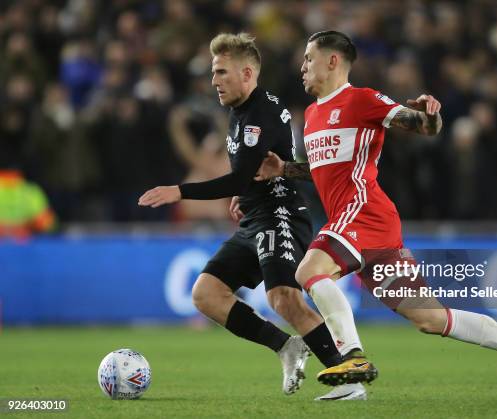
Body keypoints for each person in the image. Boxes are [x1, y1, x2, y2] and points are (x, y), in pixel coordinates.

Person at [254, 30, 497, 401]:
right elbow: (323, 170)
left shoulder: (362, 100)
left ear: (332, 61)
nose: (301, 66)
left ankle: (353, 358)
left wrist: (430, 115)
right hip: (364, 224)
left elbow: (422, 126)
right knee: (430, 318)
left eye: (308, 58)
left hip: (364, 212)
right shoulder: (314, 115)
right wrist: (285, 169)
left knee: (309, 271)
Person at [138, 33, 366, 400]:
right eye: (214, 73)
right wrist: (242, 195)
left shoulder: (260, 112)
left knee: (284, 300)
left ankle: (350, 377)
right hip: (255, 215)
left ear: (247, 73)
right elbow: (248, 171)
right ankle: (285, 347)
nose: (214, 81)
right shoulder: (240, 109)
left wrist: (181, 191)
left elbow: (241, 175)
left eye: (221, 72)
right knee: (206, 294)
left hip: (280, 214)